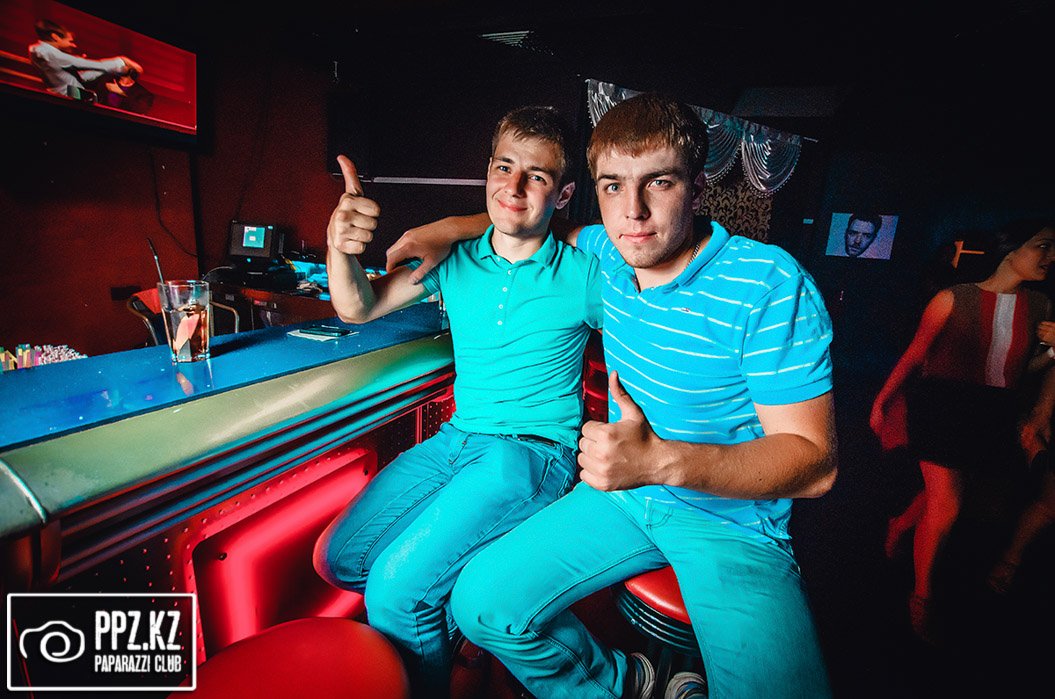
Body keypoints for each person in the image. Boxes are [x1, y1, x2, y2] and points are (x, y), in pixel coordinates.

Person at [390, 93, 837, 699]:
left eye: (659, 183)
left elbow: (815, 464)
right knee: (482, 604)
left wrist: (661, 461)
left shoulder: (767, 283)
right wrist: (442, 229)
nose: (634, 211)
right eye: (613, 186)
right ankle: (631, 684)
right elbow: (528, 219)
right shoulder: (606, 251)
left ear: (698, 189)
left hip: (731, 521)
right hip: (625, 499)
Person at [313, 106, 601, 697]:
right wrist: (339, 247)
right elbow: (357, 306)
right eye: (504, 168)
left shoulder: (584, 273)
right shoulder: (454, 259)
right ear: (487, 171)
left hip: (533, 454)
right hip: (456, 440)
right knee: (339, 559)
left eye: (537, 176)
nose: (514, 187)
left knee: (397, 590)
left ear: (564, 193)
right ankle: (455, 621)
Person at [870, 219, 1055, 640]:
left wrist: (1052, 351)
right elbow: (915, 355)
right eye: (1043, 246)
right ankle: (921, 596)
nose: (1051, 257)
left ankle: (901, 524)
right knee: (948, 504)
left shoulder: (1041, 305)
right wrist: (881, 401)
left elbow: (1019, 370)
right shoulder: (953, 298)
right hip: (944, 406)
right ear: (1012, 249)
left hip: (993, 412)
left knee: (948, 495)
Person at [28, 19, 143, 101]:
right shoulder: (51, 54)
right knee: (98, 97)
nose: (73, 45)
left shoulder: (36, 49)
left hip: (62, 90)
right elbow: (93, 65)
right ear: (55, 37)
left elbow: (78, 74)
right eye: (70, 41)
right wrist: (121, 61)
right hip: (70, 95)